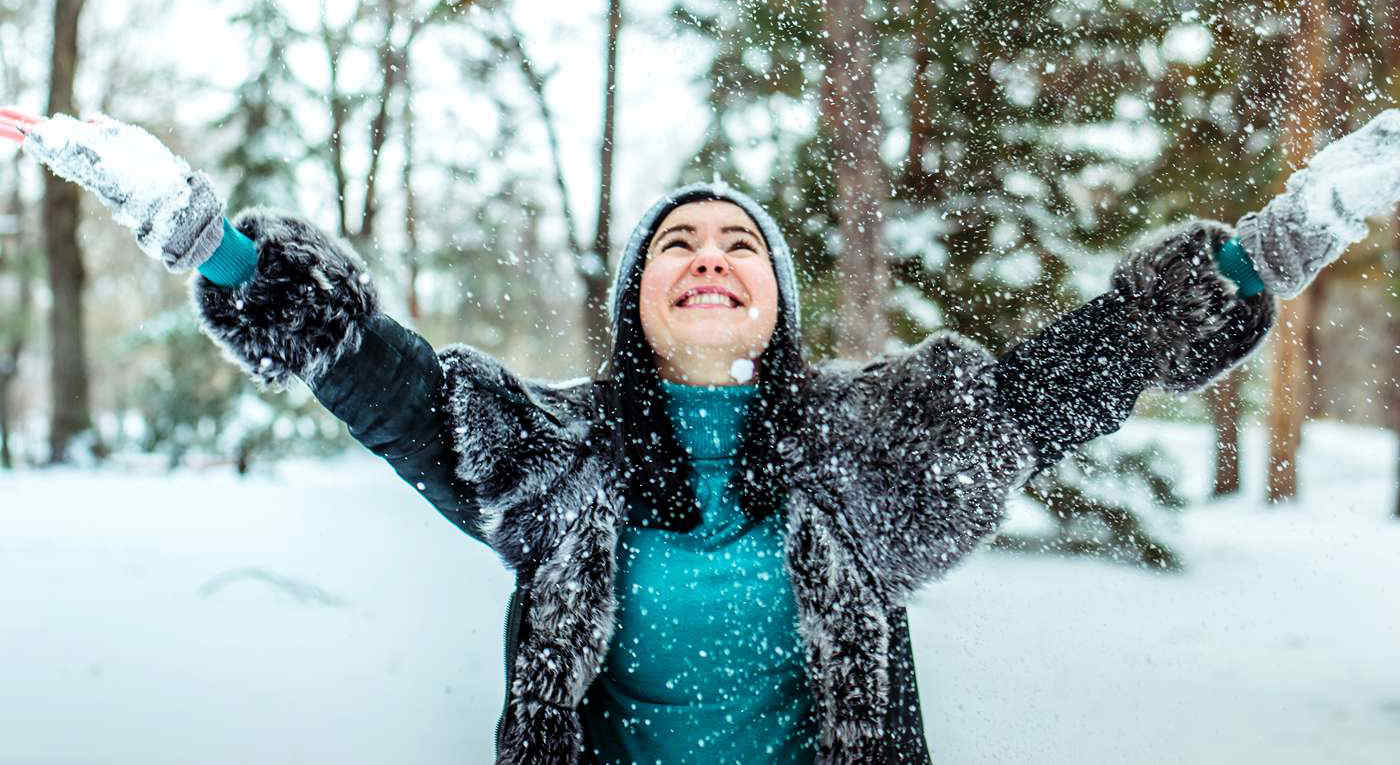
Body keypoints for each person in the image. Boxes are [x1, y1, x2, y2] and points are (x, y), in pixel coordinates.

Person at [13, 105, 1369, 765]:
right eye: (678, 242)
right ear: (637, 302)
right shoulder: (548, 457)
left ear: (776, 302)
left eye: (739, 243)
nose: (709, 255)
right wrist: (197, 231)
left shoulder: (878, 450)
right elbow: (379, 374)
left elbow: (1066, 377)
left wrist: (1274, 247)